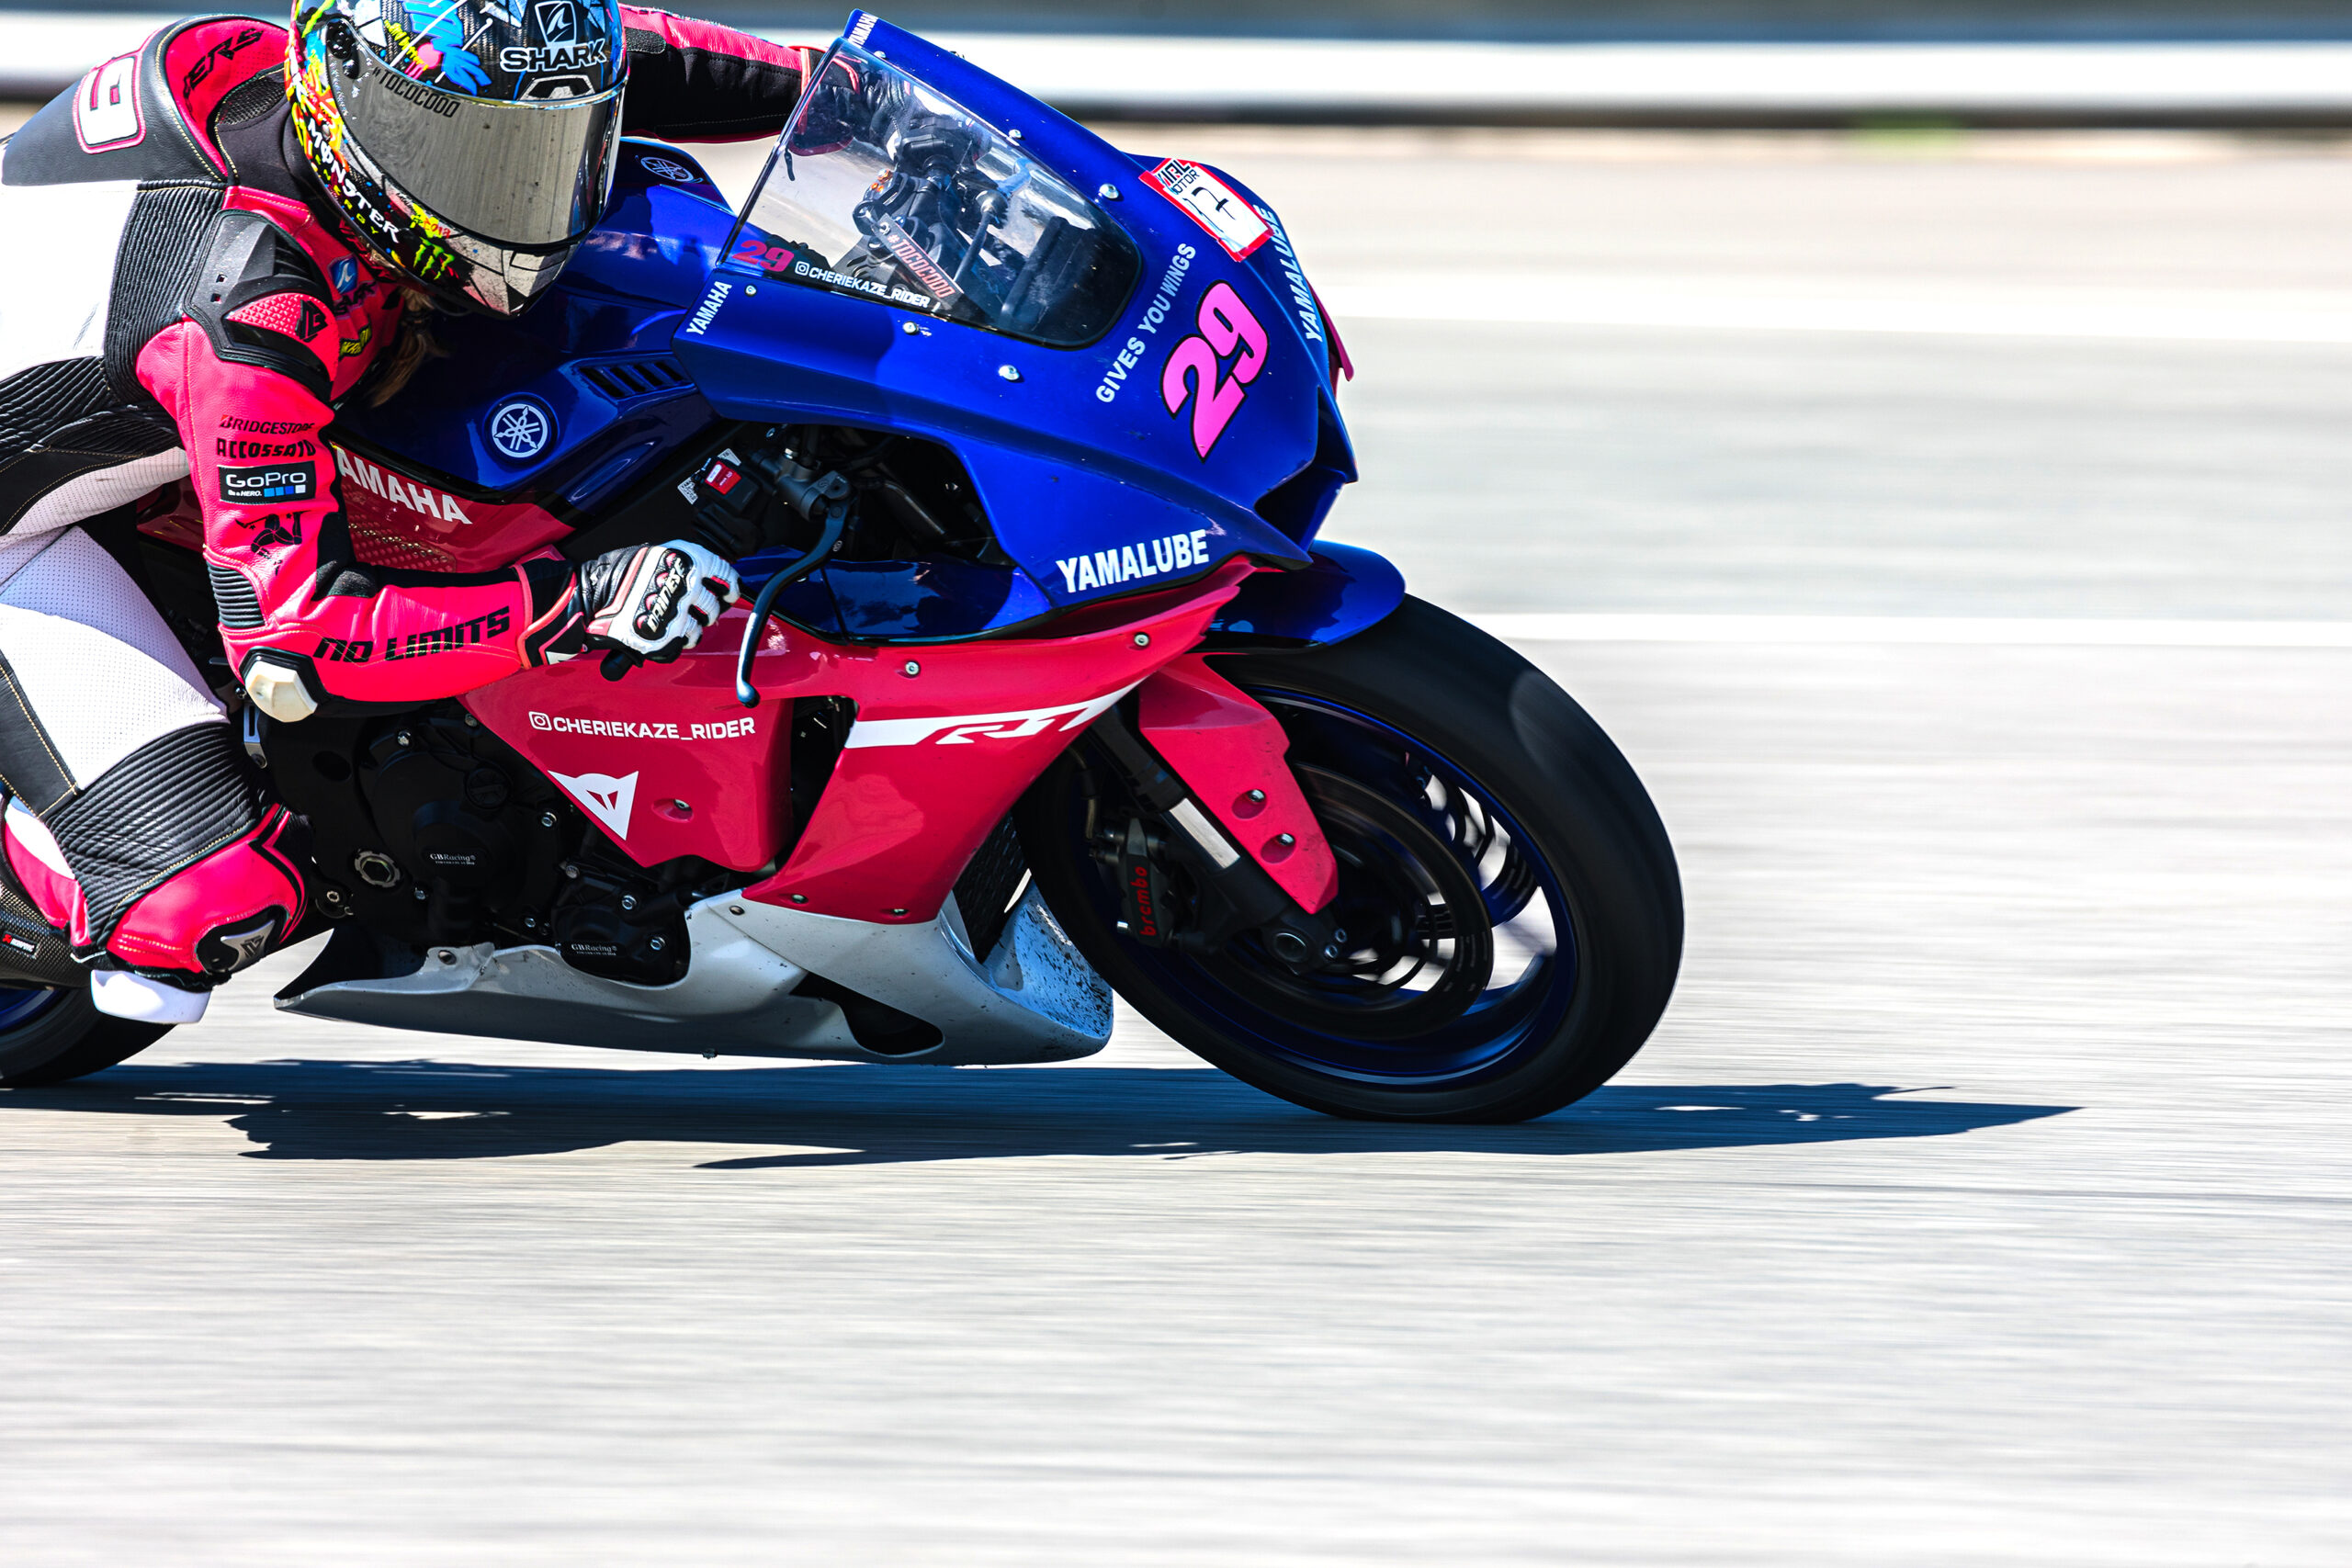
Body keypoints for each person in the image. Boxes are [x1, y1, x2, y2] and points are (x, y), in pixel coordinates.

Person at [0, 0, 818, 1021]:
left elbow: (674, 62)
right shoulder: (251, 312)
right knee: (207, 909)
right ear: (349, 101)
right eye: (473, 157)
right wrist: (574, 604)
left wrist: (869, 116)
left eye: (540, 152)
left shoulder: (431, 70)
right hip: (22, 536)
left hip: (121, 431)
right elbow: (298, 642)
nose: (526, 197)